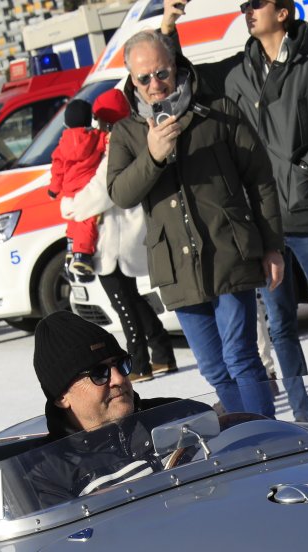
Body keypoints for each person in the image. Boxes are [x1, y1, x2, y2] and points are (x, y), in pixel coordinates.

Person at [160, 0, 308, 418]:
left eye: (257, 4)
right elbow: (184, 77)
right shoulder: (238, 74)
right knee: (281, 326)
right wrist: (169, 26)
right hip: (262, 220)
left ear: (283, 12)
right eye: (245, 5)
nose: (248, 10)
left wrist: (306, 167)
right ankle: (303, 420)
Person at [106, 30, 285, 419]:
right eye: (144, 78)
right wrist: (153, 156)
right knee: (213, 367)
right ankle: (242, 435)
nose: (155, 84)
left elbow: (260, 178)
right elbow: (120, 193)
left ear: (175, 66)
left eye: (162, 73)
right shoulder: (126, 132)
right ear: (131, 79)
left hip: (229, 251)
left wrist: (272, 245)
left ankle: (267, 437)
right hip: (176, 266)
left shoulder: (217, 111)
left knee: (240, 355)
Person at [67, 87, 178, 380]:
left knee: (124, 306)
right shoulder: (137, 138)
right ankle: (163, 353)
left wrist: (71, 206)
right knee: (133, 300)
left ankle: (139, 364)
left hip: (113, 242)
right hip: (125, 236)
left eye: (100, 120)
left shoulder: (116, 147)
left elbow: (99, 192)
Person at [29, 311, 196, 502]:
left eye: (121, 364)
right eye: (99, 373)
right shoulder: (48, 475)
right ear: (61, 397)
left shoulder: (179, 415)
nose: (118, 379)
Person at [49, 97, 108, 282]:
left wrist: (53, 189)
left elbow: (57, 168)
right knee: (87, 219)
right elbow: (108, 143)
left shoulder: (62, 145)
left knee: (73, 219)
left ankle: (71, 246)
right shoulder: (96, 137)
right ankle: (82, 255)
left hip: (69, 190)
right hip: (86, 187)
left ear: (66, 122)